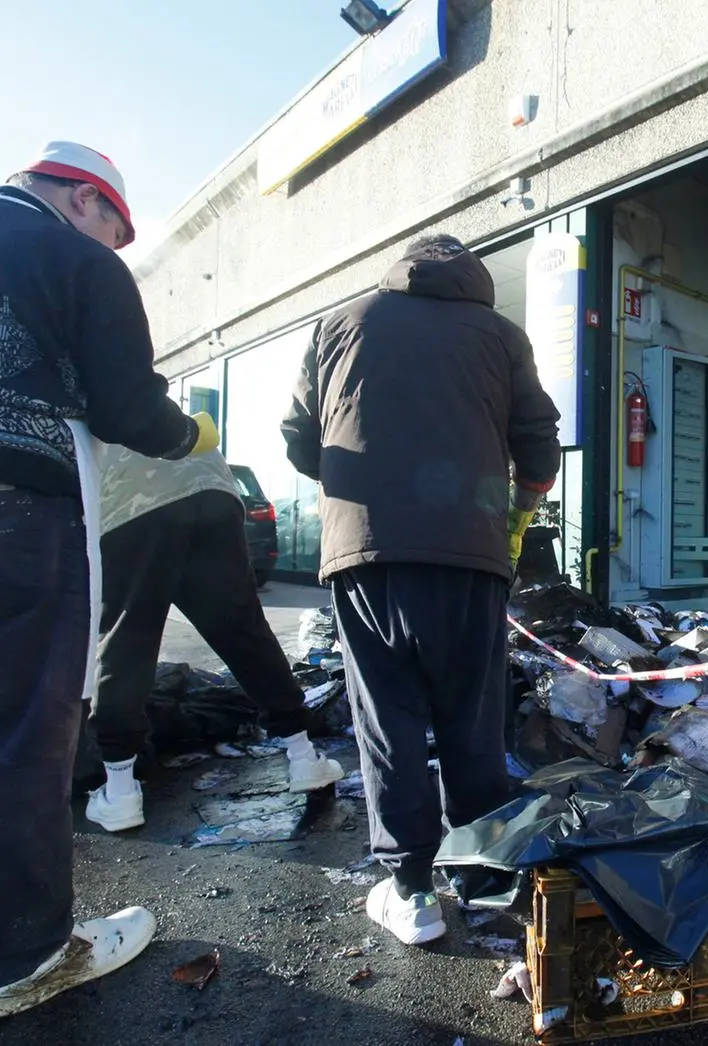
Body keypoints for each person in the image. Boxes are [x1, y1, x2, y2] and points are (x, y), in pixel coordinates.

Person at [282, 233, 560, 945]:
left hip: (365, 554)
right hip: (471, 552)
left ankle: (410, 892)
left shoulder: (341, 322)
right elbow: (539, 444)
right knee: (472, 714)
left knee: (388, 717)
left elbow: (296, 435)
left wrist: (356, 494)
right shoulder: (501, 335)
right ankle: (481, 873)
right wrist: (520, 517)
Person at [0, 141, 217, 1017]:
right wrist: (191, 437)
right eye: (116, 230)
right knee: (27, 724)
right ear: (84, 200)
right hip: (18, 503)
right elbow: (128, 406)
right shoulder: (70, 255)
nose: (116, 247)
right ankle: (27, 952)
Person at [86, 445, 344, 832]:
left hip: (132, 500)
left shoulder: (67, 389)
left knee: (128, 641)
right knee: (244, 631)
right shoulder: (141, 390)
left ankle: (121, 791)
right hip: (208, 483)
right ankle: (304, 756)